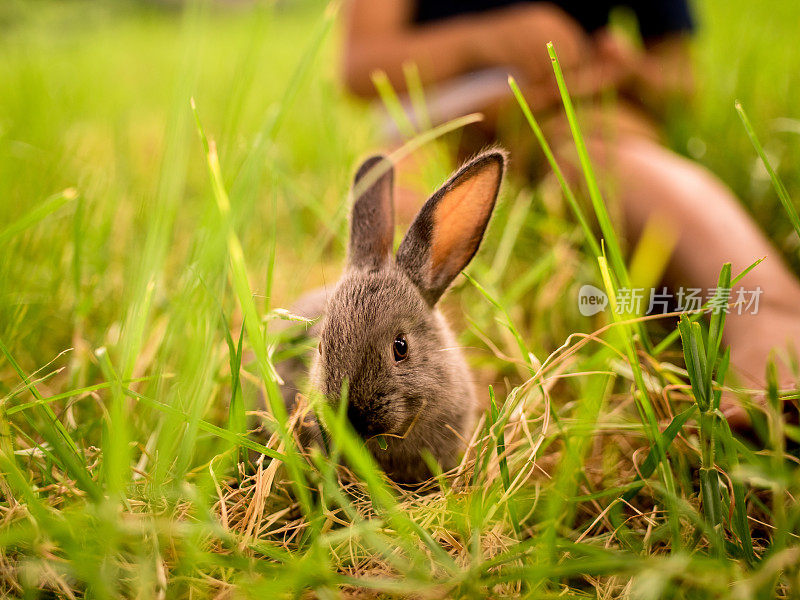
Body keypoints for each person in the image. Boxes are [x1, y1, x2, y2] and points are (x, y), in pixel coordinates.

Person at [341, 0, 800, 429]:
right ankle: (395, 372)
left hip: (574, 105)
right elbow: (358, 66)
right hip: (439, 121)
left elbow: (678, 76)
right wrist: (480, 41)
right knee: (401, 208)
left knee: (613, 163)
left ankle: (766, 310)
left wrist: (629, 71)